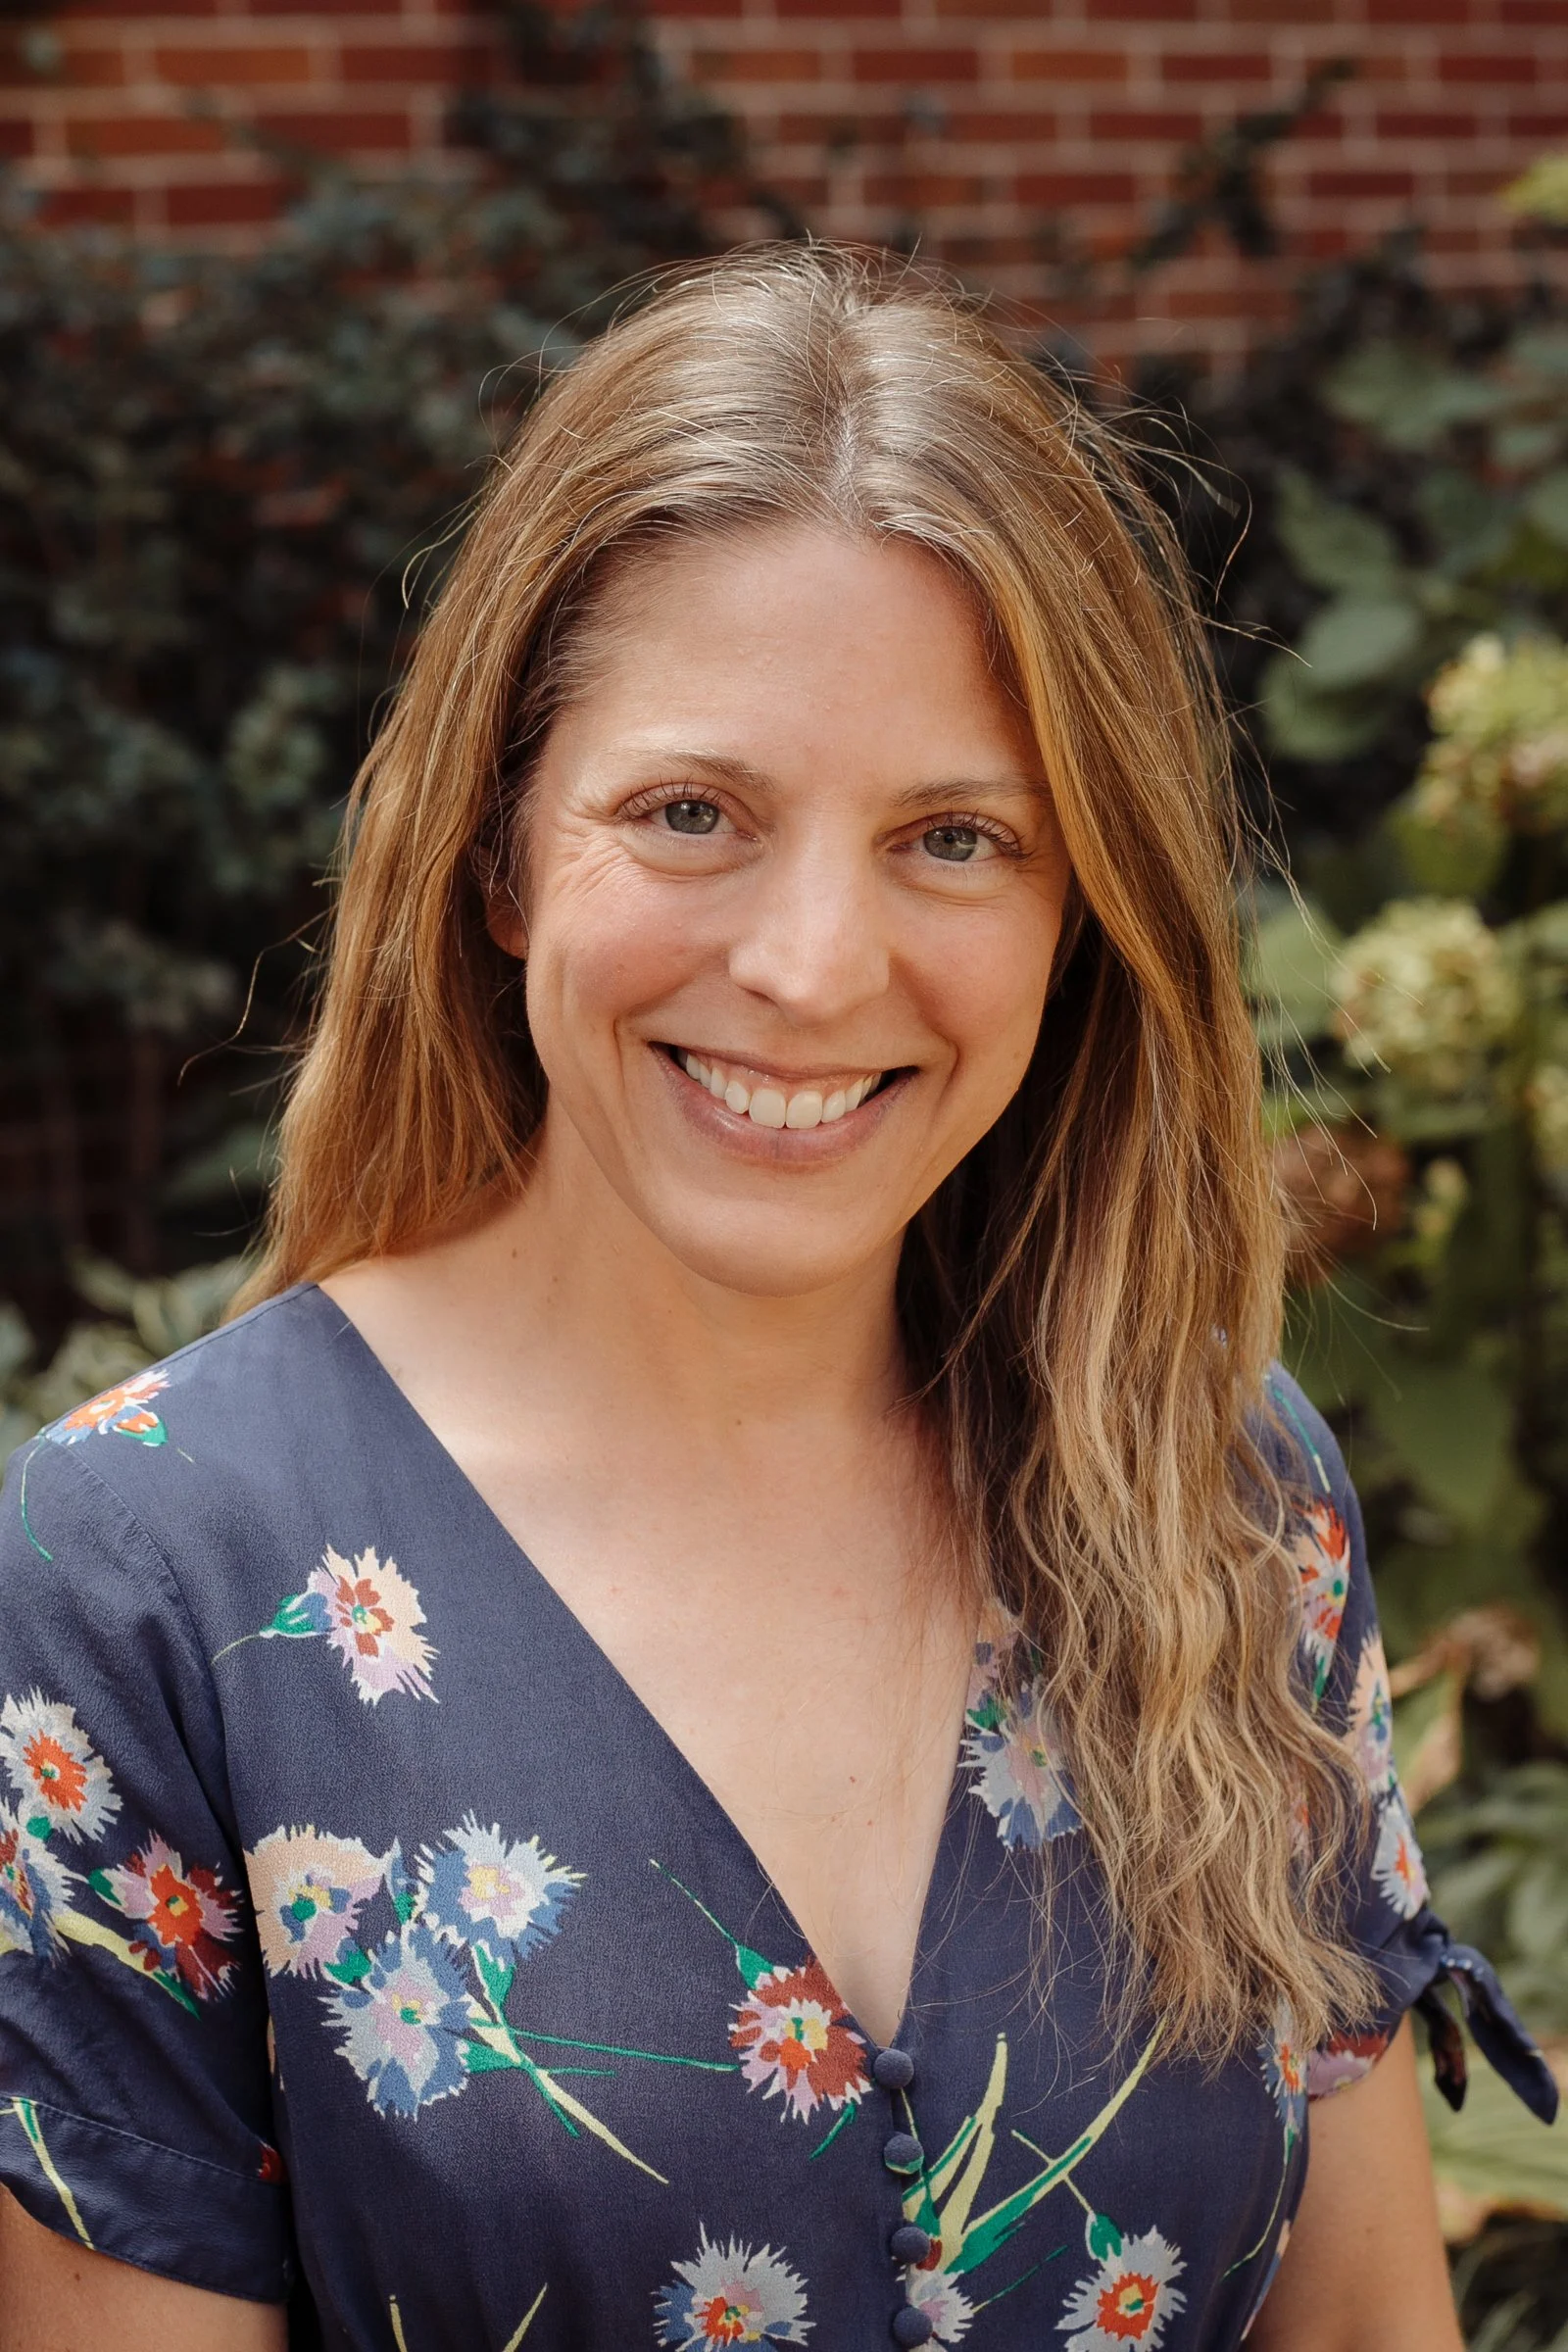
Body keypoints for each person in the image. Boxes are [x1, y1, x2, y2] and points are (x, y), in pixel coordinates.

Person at [0, 246, 1552, 2352]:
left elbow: (1366, 2321)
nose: (814, 966)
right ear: (497, 850)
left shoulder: (1212, 1484)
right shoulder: (153, 1577)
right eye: (692, 813)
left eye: (953, 839)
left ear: (1078, 908)